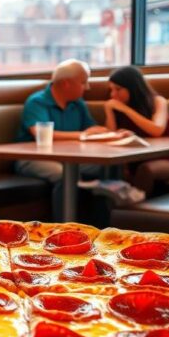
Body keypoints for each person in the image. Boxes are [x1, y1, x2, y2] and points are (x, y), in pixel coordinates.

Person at [15, 59, 109, 220]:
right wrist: (82, 136)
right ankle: (63, 231)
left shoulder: (78, 104)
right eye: (83, 82)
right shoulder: (37, 102)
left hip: (70, 157)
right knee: (64, 174)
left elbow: (91, 129)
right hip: (33, 158)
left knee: (107, 166)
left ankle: (102, 225)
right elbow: (39, 132)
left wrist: (109, 134)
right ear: (66, 83)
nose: (87, 87)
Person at [104, 66, 169, 195]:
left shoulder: (158, 101)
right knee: (112, 168)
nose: (113, 94)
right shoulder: (118, 106)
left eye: (118, 89)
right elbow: (110, 135)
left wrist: (126, 110)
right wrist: (109, 112)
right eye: (111, 90)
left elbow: (156, 130)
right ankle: (113, 211)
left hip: (167, 159)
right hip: (134, 159)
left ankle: (130, 210)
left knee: (145, 169)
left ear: (133, 87)